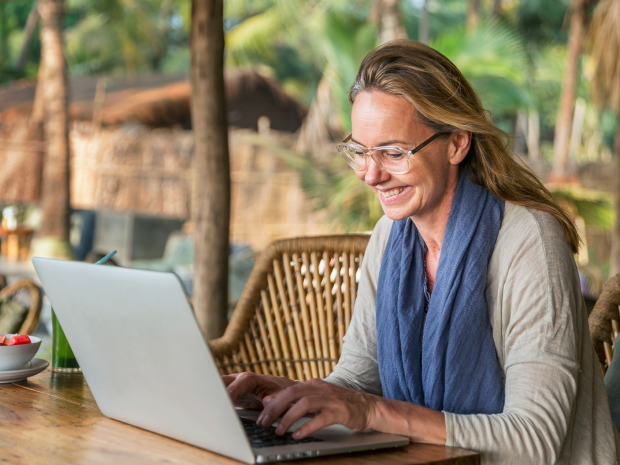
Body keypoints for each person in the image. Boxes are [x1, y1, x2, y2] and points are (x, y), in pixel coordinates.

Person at [224, 40, 620, 464]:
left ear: (457, 144)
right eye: (359, 151)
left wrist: (373, 412)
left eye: (394, 153)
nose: (370, 174)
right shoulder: (388, 238)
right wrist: (294, 395)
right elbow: (359, 378)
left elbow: (535, 442)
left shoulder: (527, 242)